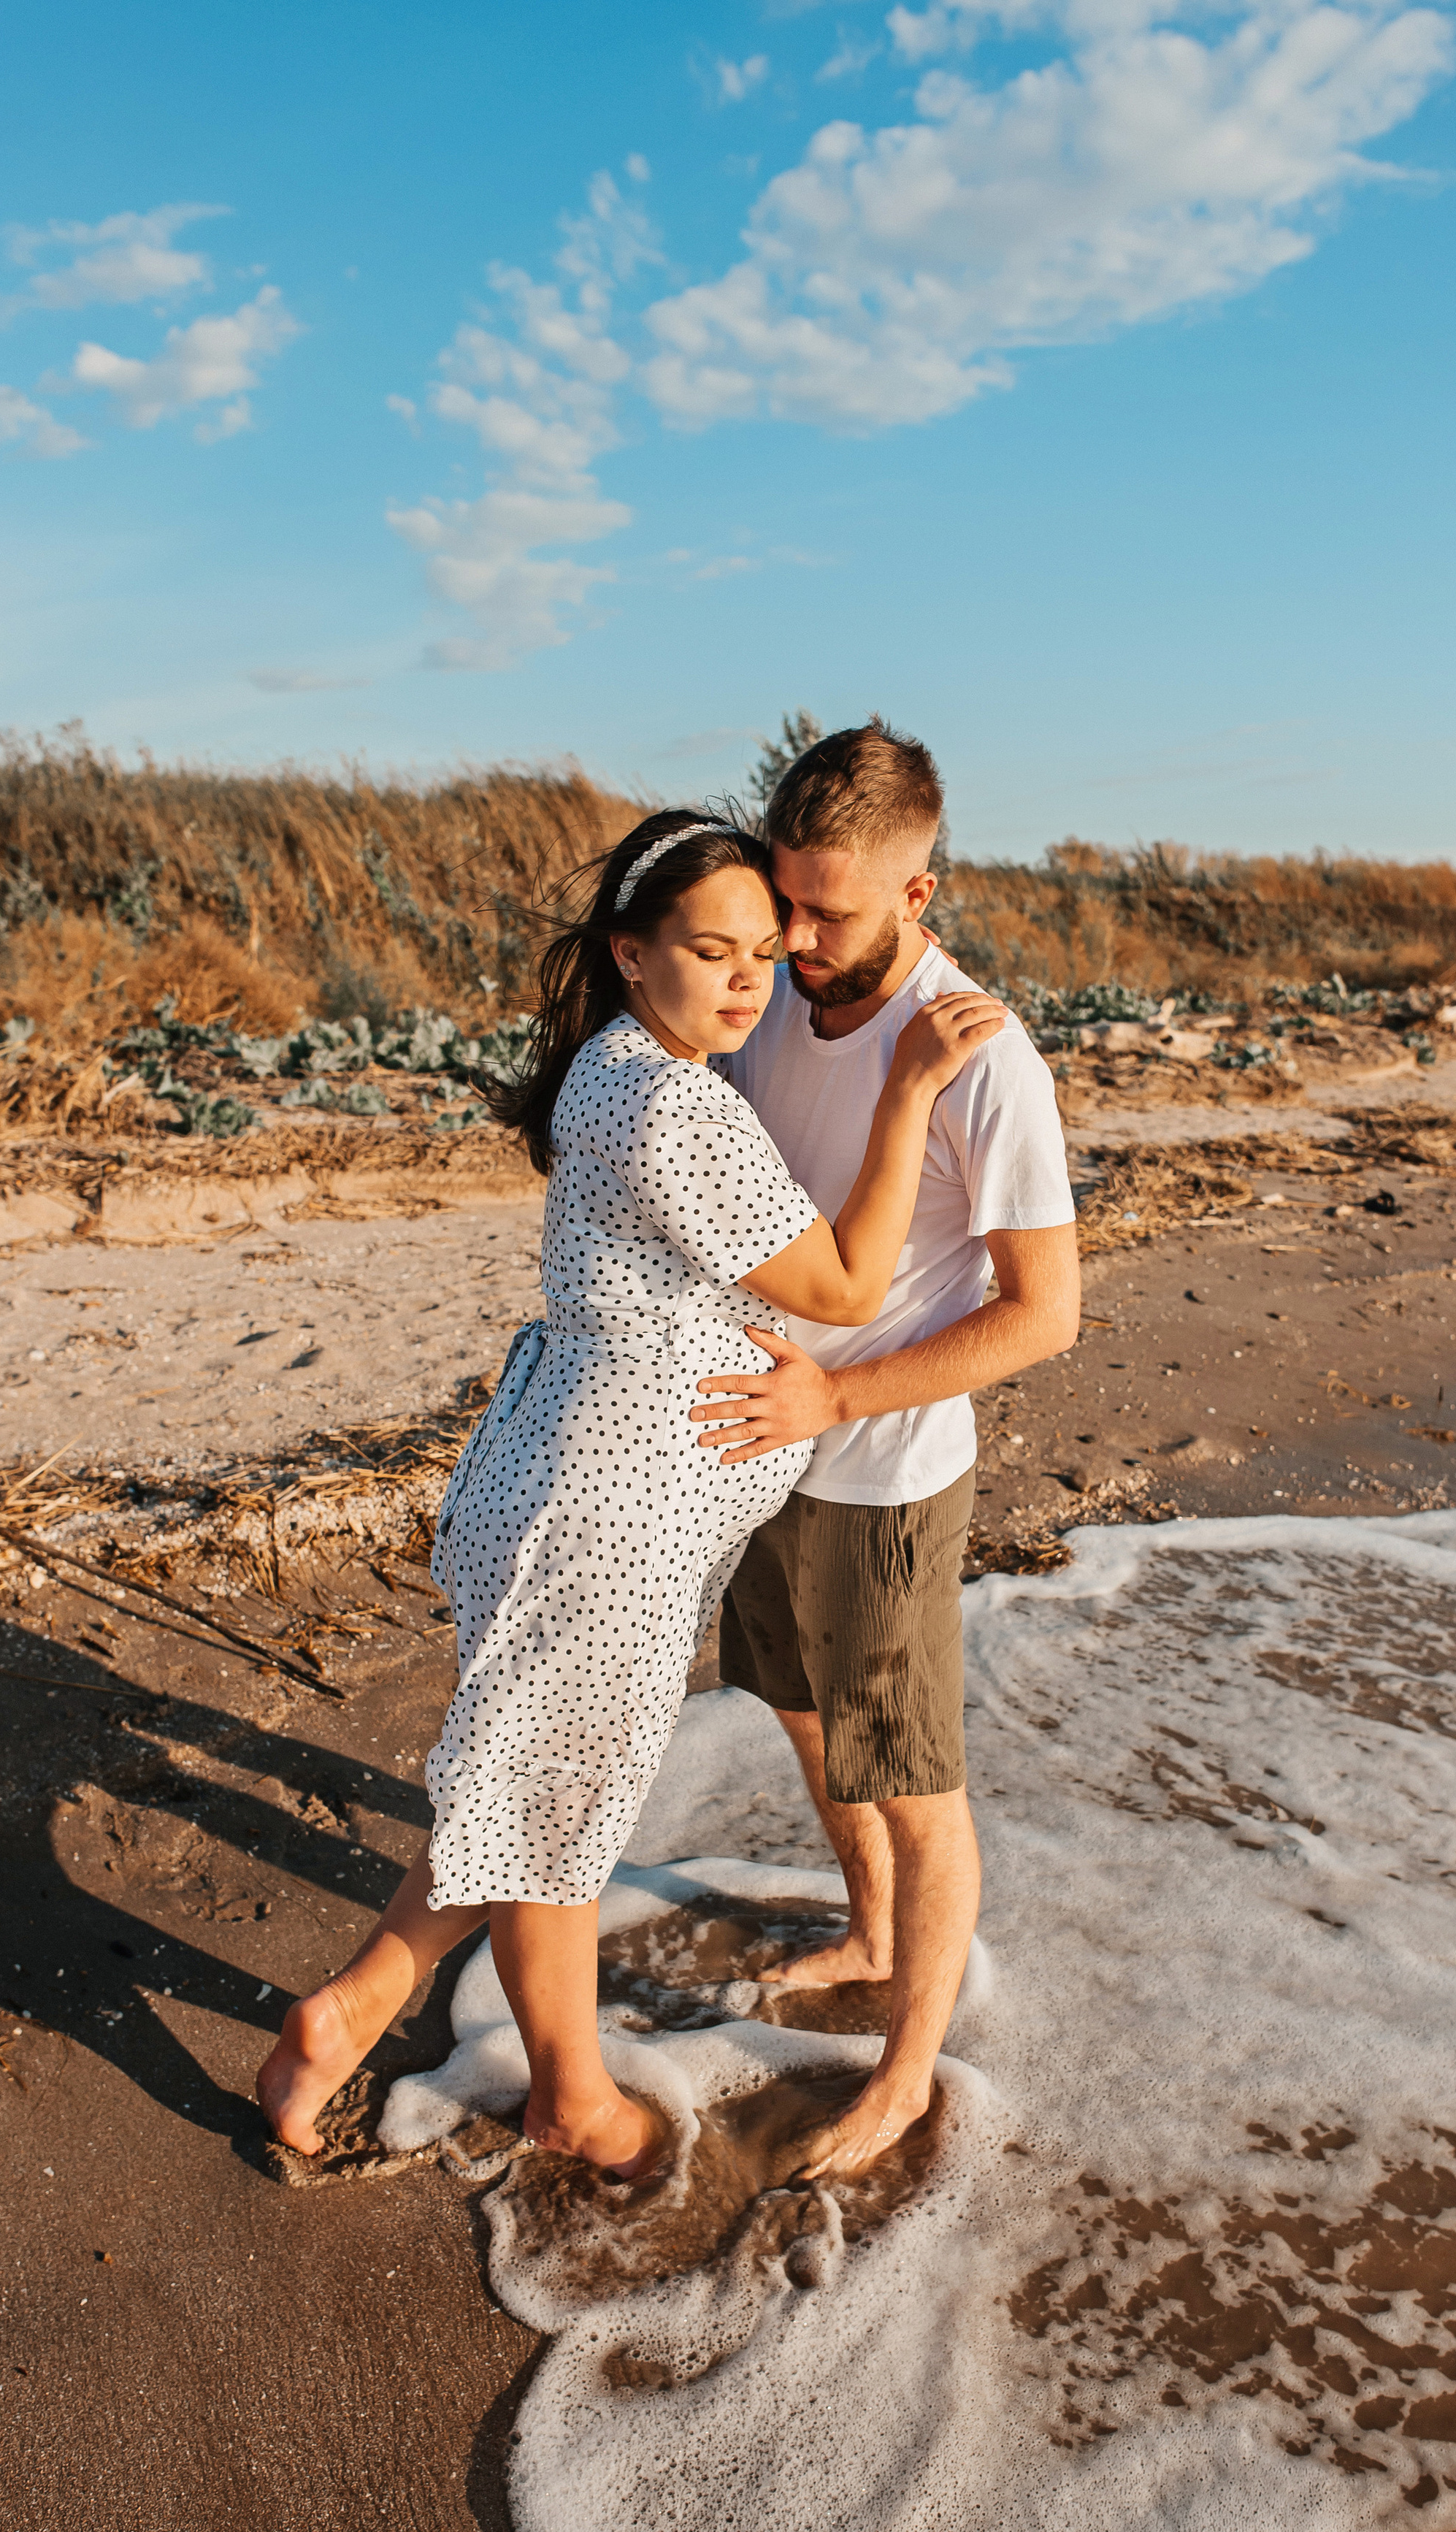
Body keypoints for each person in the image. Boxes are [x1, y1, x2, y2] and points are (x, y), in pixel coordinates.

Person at [256, 810, 1004, 2176]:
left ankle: (353, 2007)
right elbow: (841, 1287)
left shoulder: (623, 1071)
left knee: (526, 1779)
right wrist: (903, 1093)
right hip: (610, 1513)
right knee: (559, 1821)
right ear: (630, 951)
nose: (743, 982)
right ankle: (573, 2097)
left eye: (762, 956)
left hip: (575, 1485)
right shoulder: (671, 1102)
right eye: (708, 951)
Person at [693, 722, 1079, 2178]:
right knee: (797, 1714)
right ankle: (863, 1935)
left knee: (916, 1788)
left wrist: (838, 1403)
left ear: (919, 896)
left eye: (829, 911)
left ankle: (908, 2075)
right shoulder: (775, 991)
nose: (791, 938)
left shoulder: (981, 1058)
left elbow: (1042, 1314)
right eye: (783, 899)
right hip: (754, 1446)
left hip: (879, 1476)